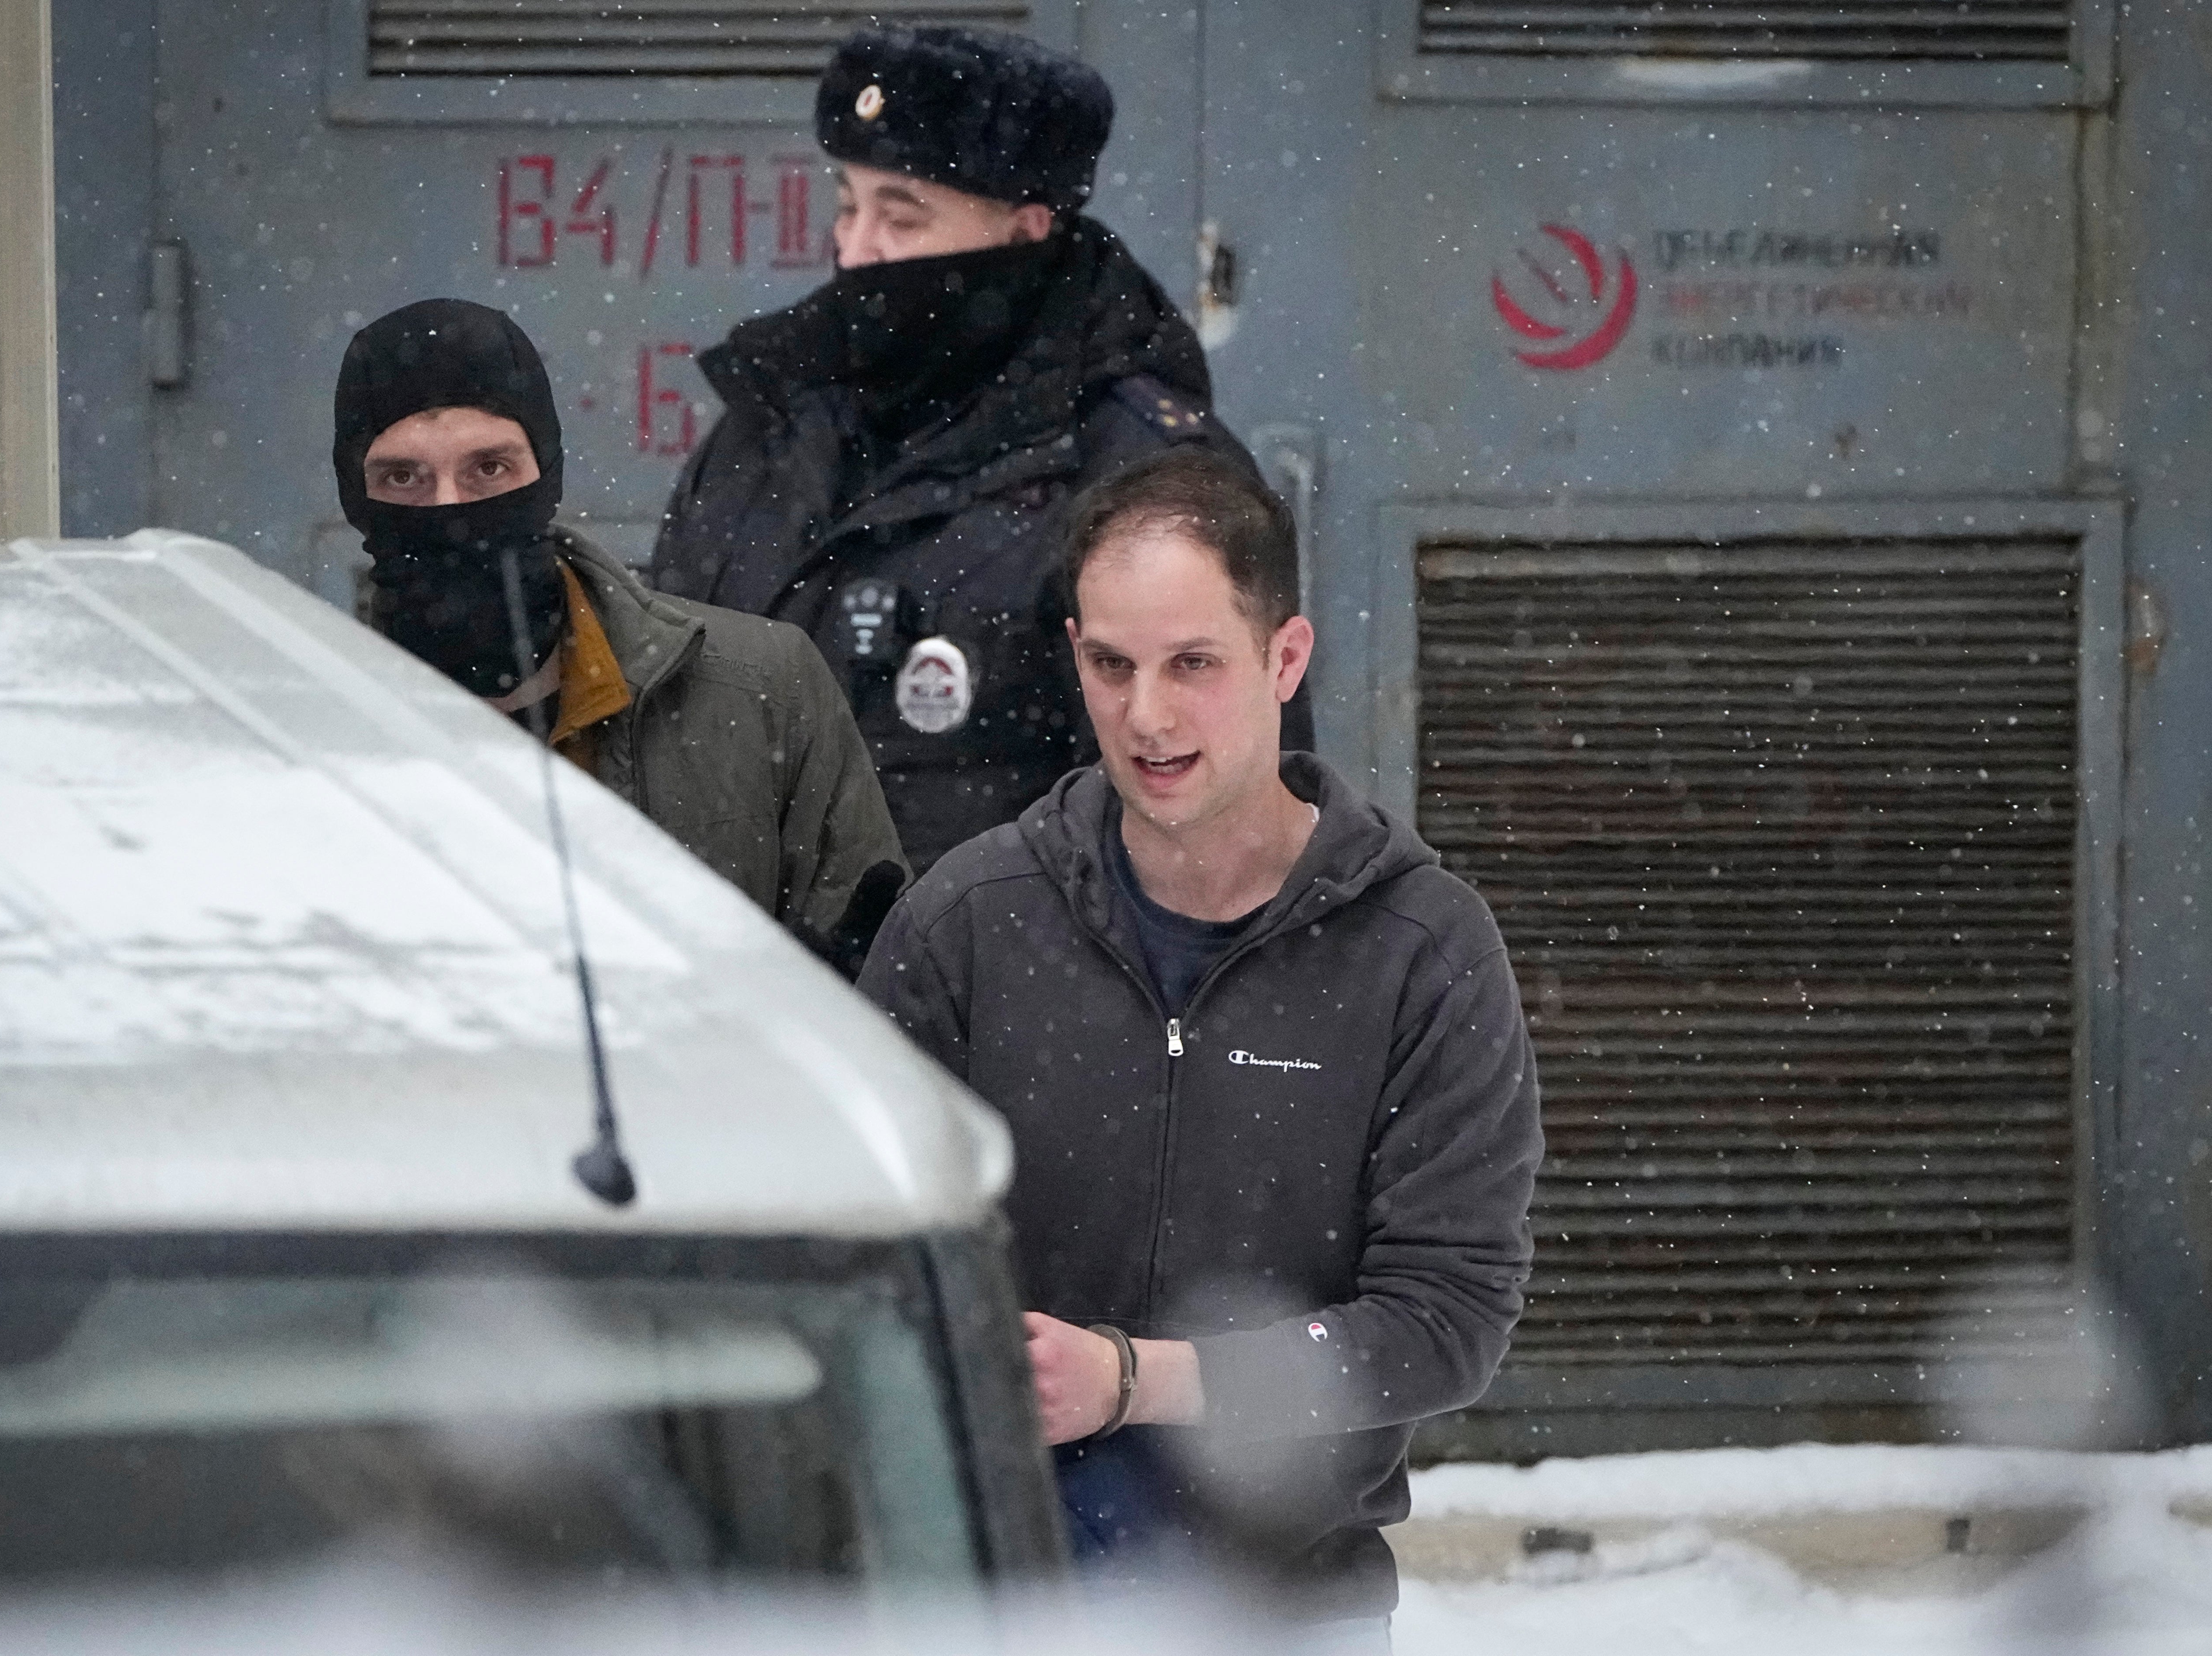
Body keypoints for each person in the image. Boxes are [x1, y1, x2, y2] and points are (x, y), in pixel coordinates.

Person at [858, 450, 1540, 1630]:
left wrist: (1138, 1384)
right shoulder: (970, 922)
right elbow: (859, 1251)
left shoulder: (1421, 949)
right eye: (1112, 666)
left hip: (1288, 1601)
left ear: (1286, 657)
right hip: (1007, 1598)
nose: (1148, 715)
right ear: (1074, 656)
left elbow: (1445, 1323)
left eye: (1193, 665)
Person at [650, 23, 1308, 876]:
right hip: (746, 990)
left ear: (1026, 230)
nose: (857, 250)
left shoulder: (1142, 476)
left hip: (984, 1001)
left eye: (903, 216)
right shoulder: (769, 423)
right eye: (849, 206)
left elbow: (1218, 841)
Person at [335, 297, 906, 973]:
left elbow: (875, 997)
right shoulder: (296, 730)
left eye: (489, 468)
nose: (452, 509)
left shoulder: (760, 694)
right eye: (403, 478)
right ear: (354, 494)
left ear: (545, 472)